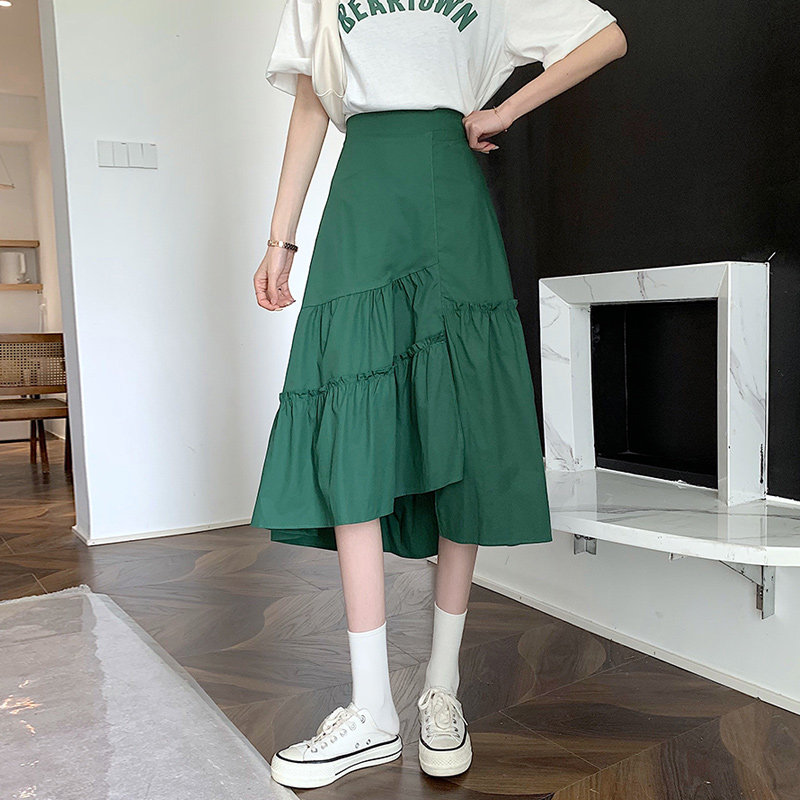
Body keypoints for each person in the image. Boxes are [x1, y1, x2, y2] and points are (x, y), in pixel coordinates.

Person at [251, 0, 626, 789]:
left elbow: (605, 36)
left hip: (449, 195)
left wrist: (506, 110)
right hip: (363, 199)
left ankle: (442, 691)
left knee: (462, 422)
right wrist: (281, 238)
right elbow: (312, 106)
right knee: (351, 423)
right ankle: (370, 710)